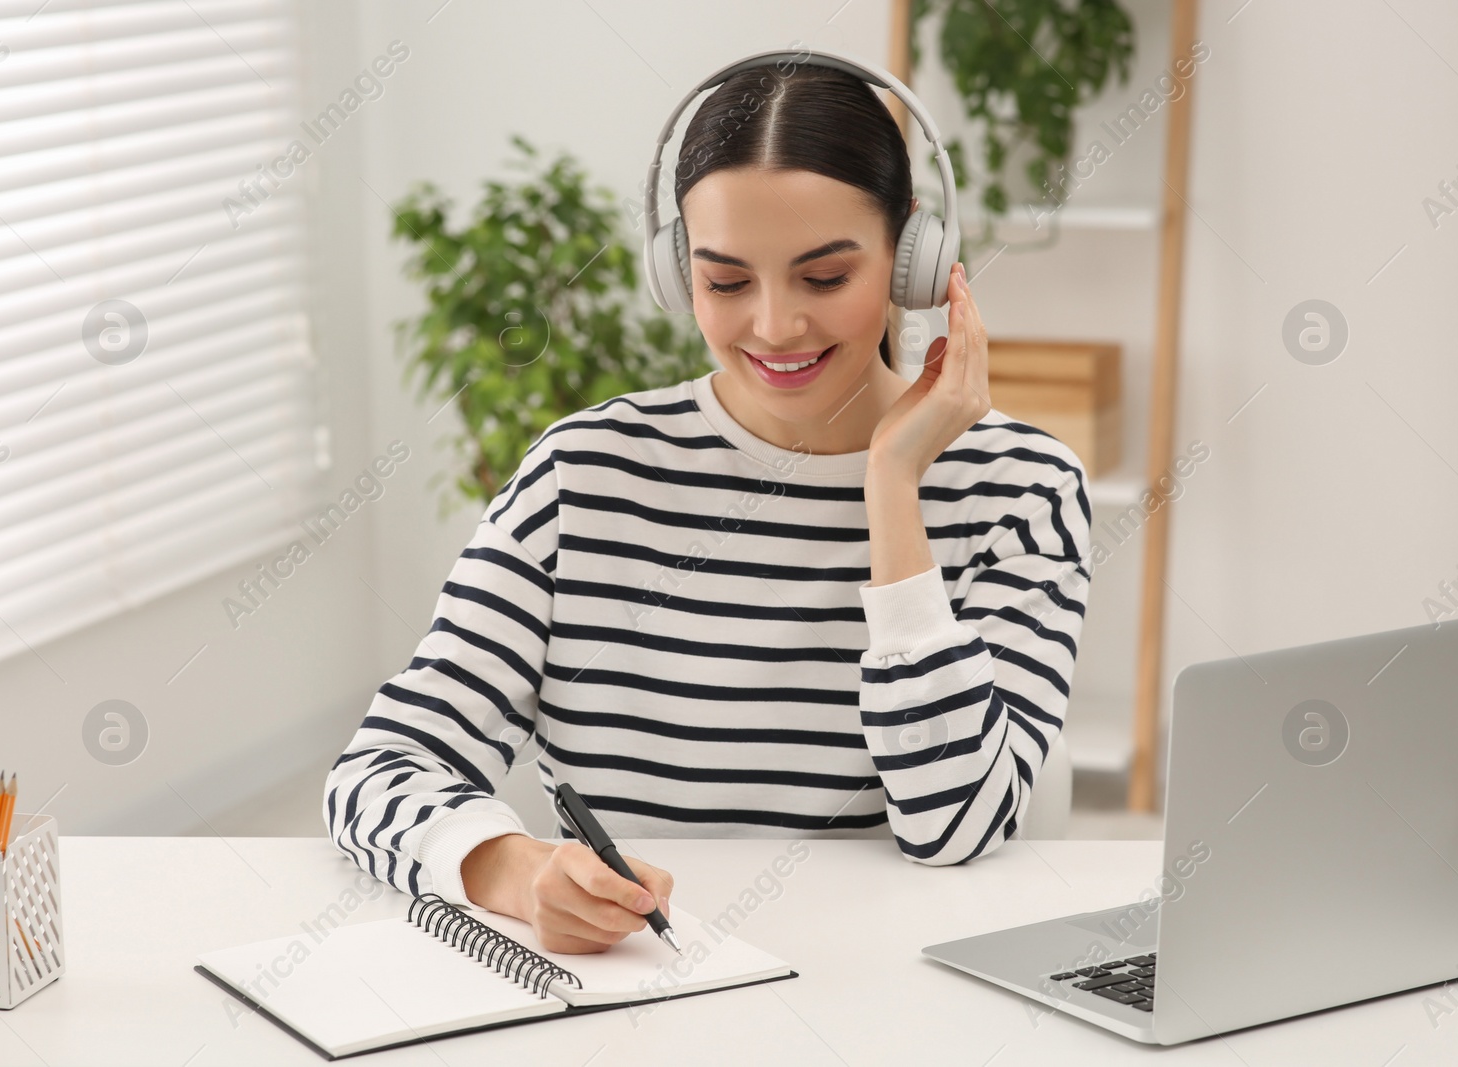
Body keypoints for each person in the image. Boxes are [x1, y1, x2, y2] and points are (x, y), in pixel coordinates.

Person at [324, 61, 1093, 956]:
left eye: (824, 277)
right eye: (726, 283)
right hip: (641, 988)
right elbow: (380, 769)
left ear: (912, 260)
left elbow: (955, 822)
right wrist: (514, 869)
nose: (773, 326)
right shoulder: (582, 476)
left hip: (889, 998)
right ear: (673, 271)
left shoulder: (1020, 488)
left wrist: (893, 484)